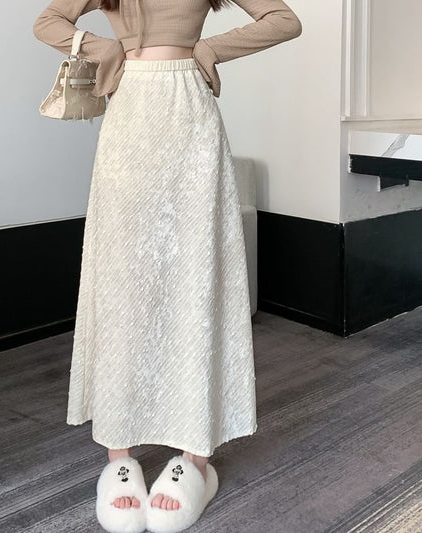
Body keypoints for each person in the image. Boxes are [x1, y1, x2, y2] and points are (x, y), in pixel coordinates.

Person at [33, 1, 302, 531]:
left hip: (190, 114)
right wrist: (103, 48)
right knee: (122, 284)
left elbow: (285, 20)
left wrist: (209, 49)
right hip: (129, 117)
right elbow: (48, 22)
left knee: (196, 279)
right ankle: (119, 456)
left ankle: (195, 458)